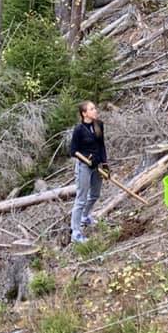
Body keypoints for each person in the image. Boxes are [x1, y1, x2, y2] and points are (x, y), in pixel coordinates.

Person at [69, 100, 108, 244]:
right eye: (91, 109)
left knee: (95, 194)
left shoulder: (99, 125)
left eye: (94, 108)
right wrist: (86, 160)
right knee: (81, 198)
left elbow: (101, 146)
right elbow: (73, 151)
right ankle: (75, 232)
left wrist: (105, 164)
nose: (95, 110)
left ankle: (85, 217)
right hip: (84, 167)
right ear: (84, 113)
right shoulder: (79, 130)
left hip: (97, 166)